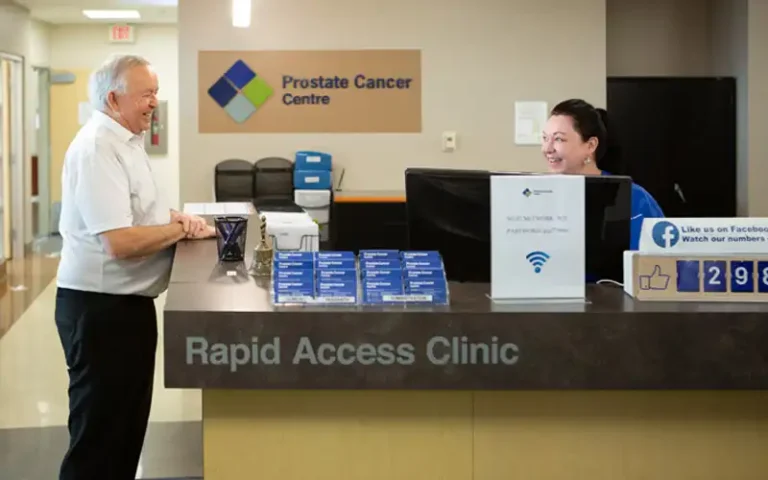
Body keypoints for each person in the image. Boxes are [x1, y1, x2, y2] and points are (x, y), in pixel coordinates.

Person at [54, 54, 213, 479]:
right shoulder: (96, 149)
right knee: (99, 442)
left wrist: (179, 219)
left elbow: (141, 214)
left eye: (155, 94)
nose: (153, 103)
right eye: (146, 94)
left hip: (129, 307)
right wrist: (178, 231)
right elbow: (119, 242)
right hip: (101, 312)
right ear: (113, 98)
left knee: (124, 435)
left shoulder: (126, 142)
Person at [541, 98, 664, 250]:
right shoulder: (541, 197)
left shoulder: (635, 199)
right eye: (545, 138)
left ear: (591, 145)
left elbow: (661, 259)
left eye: (558, 139)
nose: (547, 148)